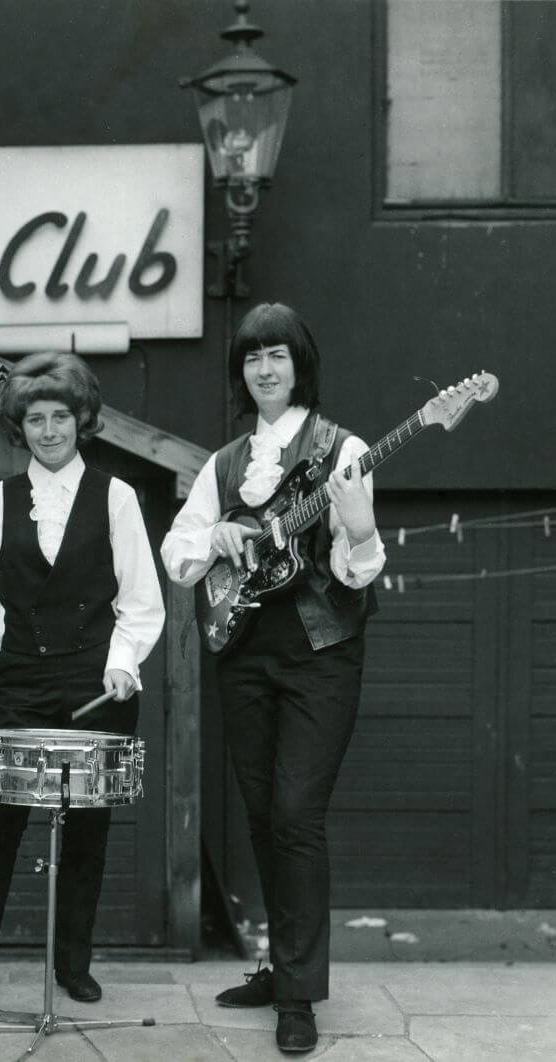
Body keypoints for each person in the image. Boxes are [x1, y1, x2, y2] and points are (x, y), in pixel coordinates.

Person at [160, 303, 386, 1054]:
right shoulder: (226, 463)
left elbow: (358, 573)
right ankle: (278, 963)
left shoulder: (343, 448)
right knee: (263, 813)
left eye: (278, 355)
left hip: (321, 651)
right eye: (253, 356)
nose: (265, 368)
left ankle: (298, 994)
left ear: (301, 365)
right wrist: (215, 534)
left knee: (296, 814)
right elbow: (179, 553)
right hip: (245, 652)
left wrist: (357, 528)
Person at [0, 351, 164, 1005]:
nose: (50, 430)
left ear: (82, 420)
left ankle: (73, 964)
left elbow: (141, 599)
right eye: (36, 418)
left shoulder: (118, 497)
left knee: (87, 829)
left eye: (61, 416)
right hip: (24, 677)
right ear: (19, 426)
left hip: (95, 680)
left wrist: (122, 663)